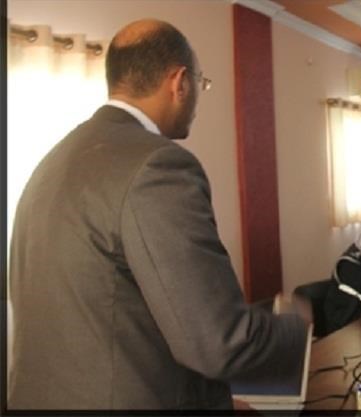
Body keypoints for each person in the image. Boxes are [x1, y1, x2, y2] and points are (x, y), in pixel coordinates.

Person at [8, 19, 308, 410]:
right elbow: (219, 342)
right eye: (201, 82)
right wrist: (296, 325)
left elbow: (107, 314)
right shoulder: (158, 166)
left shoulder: (52, 161)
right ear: (179, 82)